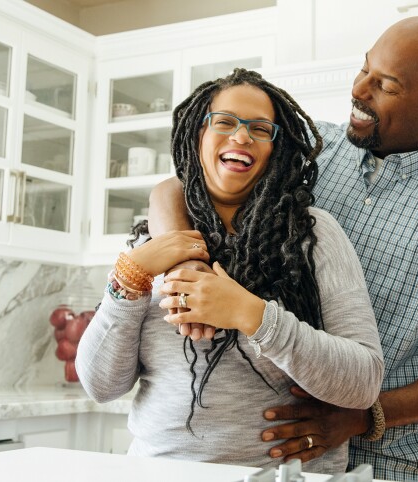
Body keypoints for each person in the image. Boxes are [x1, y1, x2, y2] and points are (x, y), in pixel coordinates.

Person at [147, 17, 418, 482]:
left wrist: (362, 417)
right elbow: (178, 185)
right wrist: (188, 267)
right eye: (364, 68)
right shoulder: (309, 148)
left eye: (385, 84)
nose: (359, 89)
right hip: (282, 456)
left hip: (396, 461)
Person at [76, 68, 384, 475]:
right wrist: (128, 281)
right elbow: (100, 386)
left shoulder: (313, 234)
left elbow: (363, 382)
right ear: (197, 135)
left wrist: (252, 315)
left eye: (260, 129)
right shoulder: (149, 243)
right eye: (224, 122)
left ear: (276, 149)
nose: (241, 137)